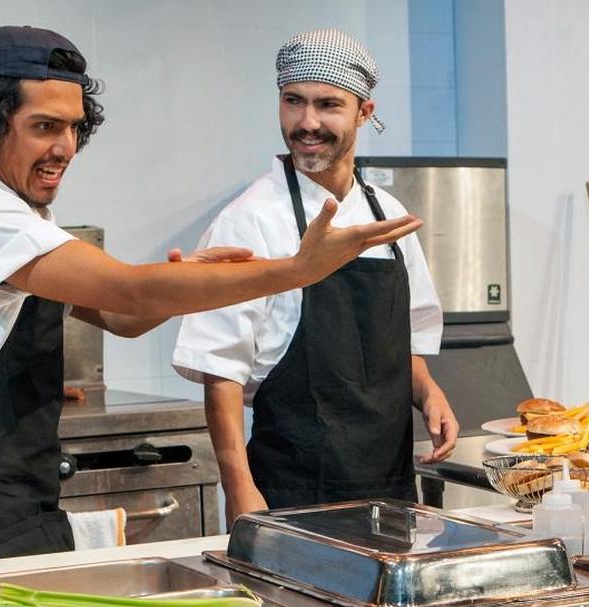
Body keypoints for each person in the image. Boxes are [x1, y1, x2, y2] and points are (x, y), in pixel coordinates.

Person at [0, 25, 420, 569]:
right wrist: (299, 269)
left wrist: (191, 277)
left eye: (74, 127)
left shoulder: (21, 213)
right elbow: (128, 288)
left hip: (13, 503)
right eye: (44, 127)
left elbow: (121, 317)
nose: (65, 148)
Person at [172, 29, 458, 523]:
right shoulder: (251, 218)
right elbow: (220, 372)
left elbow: (403, 342)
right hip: (290, 491)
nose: (307, 122)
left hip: (389, 488)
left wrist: (429, 392)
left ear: (364, 112)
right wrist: (239, 489)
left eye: (328, 105)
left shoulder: (387, 215)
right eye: (293, 102)